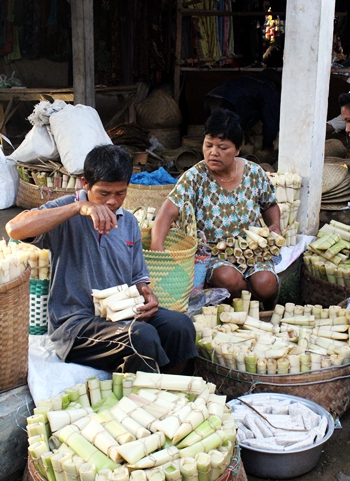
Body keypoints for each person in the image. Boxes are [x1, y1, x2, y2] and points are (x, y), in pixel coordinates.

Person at [6, 144, 198, 375]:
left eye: (120, 193)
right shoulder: (66, 210)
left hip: (123, 314)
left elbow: (138, 277)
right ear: (85, 184)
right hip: (76, 324)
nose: (112, 201)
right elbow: (14, 228)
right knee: (141, 337)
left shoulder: (128, 223)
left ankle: (173, 391)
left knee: (181, 326)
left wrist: (146, 292)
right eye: (104, 193)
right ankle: (144, 396)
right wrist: (78, 207)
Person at [151, 108, 281, 311]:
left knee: (266, 284)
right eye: (208, 145)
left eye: (223, 147)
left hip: (252, 251)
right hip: (213, 254)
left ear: (237, 149)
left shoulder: (254, 173)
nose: (213, 152)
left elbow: (270, 204)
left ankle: (269, 310)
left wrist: (275, 225)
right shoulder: (195, 177)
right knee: (229, 279)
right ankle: (245, 310)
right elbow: (167, 212)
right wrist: (157, 250)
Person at [203, 69, 281, 153]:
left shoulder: (249, 81)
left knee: (213, 135)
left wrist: (245, 128)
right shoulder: (269, 89)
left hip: (210, 98)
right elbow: (271, 121)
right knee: (225, 141)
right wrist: (267, 144)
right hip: (227, 102)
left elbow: (246, 107)